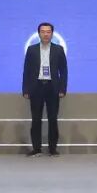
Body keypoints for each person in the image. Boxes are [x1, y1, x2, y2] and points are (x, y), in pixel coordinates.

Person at [22, 22, 68, 157]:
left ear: (52, 34)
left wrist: (62, 88)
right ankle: (36, 149)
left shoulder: (58, 49)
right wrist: (25, 89)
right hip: (36, 87)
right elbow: (26, 71)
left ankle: (52, 149)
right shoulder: (32, 50)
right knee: (36, 119)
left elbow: (63, 71)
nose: (45, 34)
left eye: (48, 32)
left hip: (52, 87)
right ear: (39, 33)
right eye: (43, 32)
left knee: (53, 119)